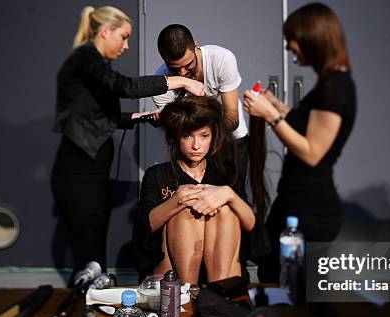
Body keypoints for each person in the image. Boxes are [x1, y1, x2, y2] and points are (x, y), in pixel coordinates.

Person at [52, 6, 204, 279]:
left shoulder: (92, 64)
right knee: (86, 245)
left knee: (96, 239)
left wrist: (139, 116)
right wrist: (181, 80)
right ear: (105, 31)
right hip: (78, 169)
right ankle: (84, 304)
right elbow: (126, 87)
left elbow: (94, 115)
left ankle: (93, 293)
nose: (126, 45)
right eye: (123, 37)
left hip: (94, 166)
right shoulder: (85, 60)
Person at [243, 3, 357, 282]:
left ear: (312, 39)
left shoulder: (334, 88)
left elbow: (312, 152)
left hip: (311, 206)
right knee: (267, 261)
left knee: (302, 289)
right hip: (295, 197)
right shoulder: (329, 83)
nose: (288, 47)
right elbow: (308, 128)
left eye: (291, 39)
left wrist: (269, 115)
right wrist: (277, 105)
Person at [132, 96, 255, 284]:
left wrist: (229, 195)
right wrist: (177, 200)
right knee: (184, 215)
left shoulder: (225, 172)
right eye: (187, 136)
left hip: (220, 270)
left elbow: (253, 227)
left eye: (204, 136)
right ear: (176, 137)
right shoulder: (158, 174)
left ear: (213, 136)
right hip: (172, 274)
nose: (196, 146)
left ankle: (218, 295)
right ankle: (187, 295)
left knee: (225, 211)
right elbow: (143, 229)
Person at [151, 24, 251, 193]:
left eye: (188, 65)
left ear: (196, 45)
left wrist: (206, 135)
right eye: (174, 68)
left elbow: (232, 118)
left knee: (234, 195)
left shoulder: (221, 59)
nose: (182, 74)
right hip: (193, 147)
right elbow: (175, 131)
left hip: (230, 137)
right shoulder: (161, 82)